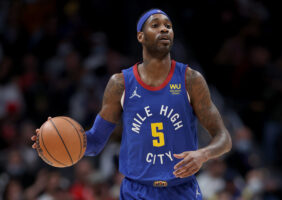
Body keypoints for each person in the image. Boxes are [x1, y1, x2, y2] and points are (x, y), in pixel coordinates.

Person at [32, 8, 232, 200]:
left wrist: (203, 154)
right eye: (155, 25)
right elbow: (94, 142)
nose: (164, 29)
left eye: (168, 26)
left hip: (181, 189)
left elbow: (224, 138)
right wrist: (56, 141)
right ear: (140, 37)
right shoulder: (120, 84)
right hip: (136, 192)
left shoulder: (190, 79)